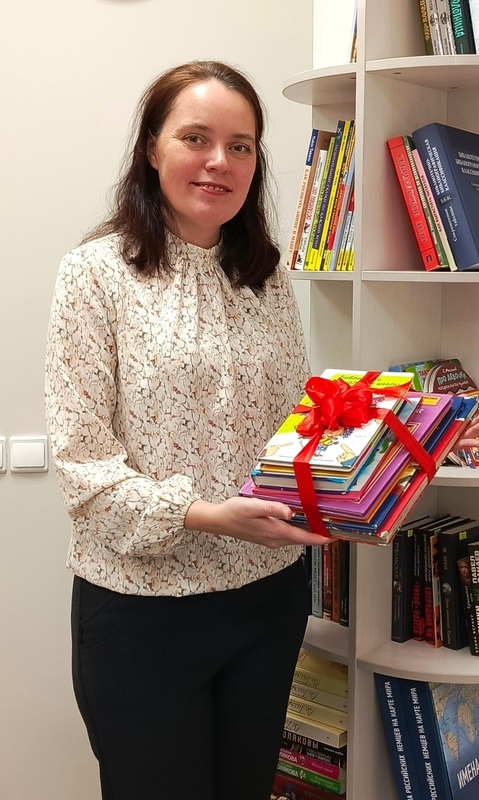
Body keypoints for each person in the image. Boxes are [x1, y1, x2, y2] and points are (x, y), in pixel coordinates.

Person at [45, 60, 331, 800]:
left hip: (268, 596)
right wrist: (208, 516)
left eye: (240, 146)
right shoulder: (94, 275)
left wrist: (364, 467)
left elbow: (292, 426)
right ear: (151, 147)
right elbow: (82, 465)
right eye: (195, 138)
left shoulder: (266, 278)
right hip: (143, 610)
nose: (219, 162)